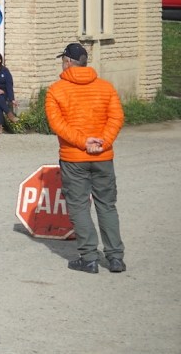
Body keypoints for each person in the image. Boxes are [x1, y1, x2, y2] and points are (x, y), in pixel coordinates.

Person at [45, 43, 126, 274]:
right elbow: (116, 118)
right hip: (103, 156)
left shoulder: (56, 90)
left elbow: (58, 125)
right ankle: (115, 257)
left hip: (74, 157)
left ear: (68, 62)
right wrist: (103, 142)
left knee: (79, 206)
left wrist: (83, 142)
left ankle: (89, 258)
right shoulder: (106, 87)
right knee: (107, 205)